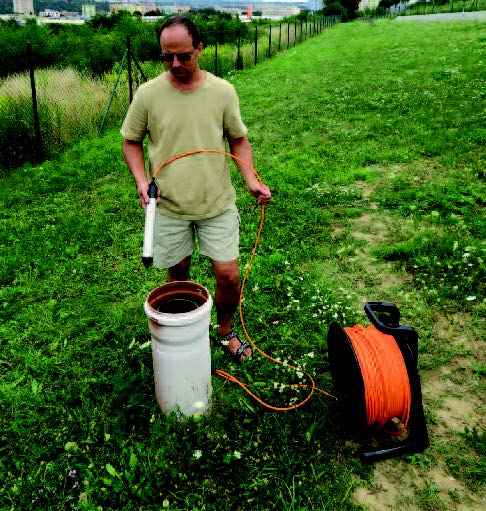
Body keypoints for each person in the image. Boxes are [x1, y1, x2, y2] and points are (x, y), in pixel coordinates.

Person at [121, 16, 271, 362]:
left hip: (216, 203)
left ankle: (225, 330)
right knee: (178, 276)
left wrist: (251, 180)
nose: (175, 64)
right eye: (167, 57)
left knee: (228, 276)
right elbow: (131, 141)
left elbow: (238, 139)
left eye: (184, 56)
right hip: (170, 206)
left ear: (200, 49)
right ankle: (185, 333)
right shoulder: (148, 95)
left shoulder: (222, 91)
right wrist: (142, 182)